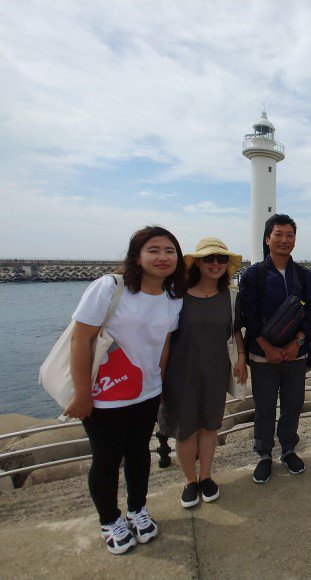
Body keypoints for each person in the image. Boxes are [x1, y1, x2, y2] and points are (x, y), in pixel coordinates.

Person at [65, 226, 186, 554]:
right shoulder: (109, 288)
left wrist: (159, 385)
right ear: (137, 256)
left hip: (145, 393)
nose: (162, 257)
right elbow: (81, 339)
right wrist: (82, 394)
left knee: (138, 453)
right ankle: (109, 519)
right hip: (104, 394)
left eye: (169, 251)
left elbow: (163, 345)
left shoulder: (173, 299)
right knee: (106, 458)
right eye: (154, 250)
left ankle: (137, 509)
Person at [160, 238, 248, 507]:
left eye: (221, 259)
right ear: (197, 262)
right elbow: (164, 339)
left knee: (210, 426)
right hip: (181, 373)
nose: (215, 264)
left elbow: (235, 331)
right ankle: (190, 481)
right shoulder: (176, 296)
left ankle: (207, 476)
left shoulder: (231, 296)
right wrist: (159, 379)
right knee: (185, 430)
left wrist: (242, 357)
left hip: (215, 370)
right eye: (209, 258)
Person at [239, 214, 311, 484]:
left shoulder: (304, 276)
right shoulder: (253, 275)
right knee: (264, 406)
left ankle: (288, 449)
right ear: (267, 238)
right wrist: (267, 348)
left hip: (296, 353)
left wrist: (297, 342)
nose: (284, 240)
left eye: (290, 235)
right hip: (263, 356)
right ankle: (263, 454)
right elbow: (249, 316)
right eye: (278, 234)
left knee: (293, 404)